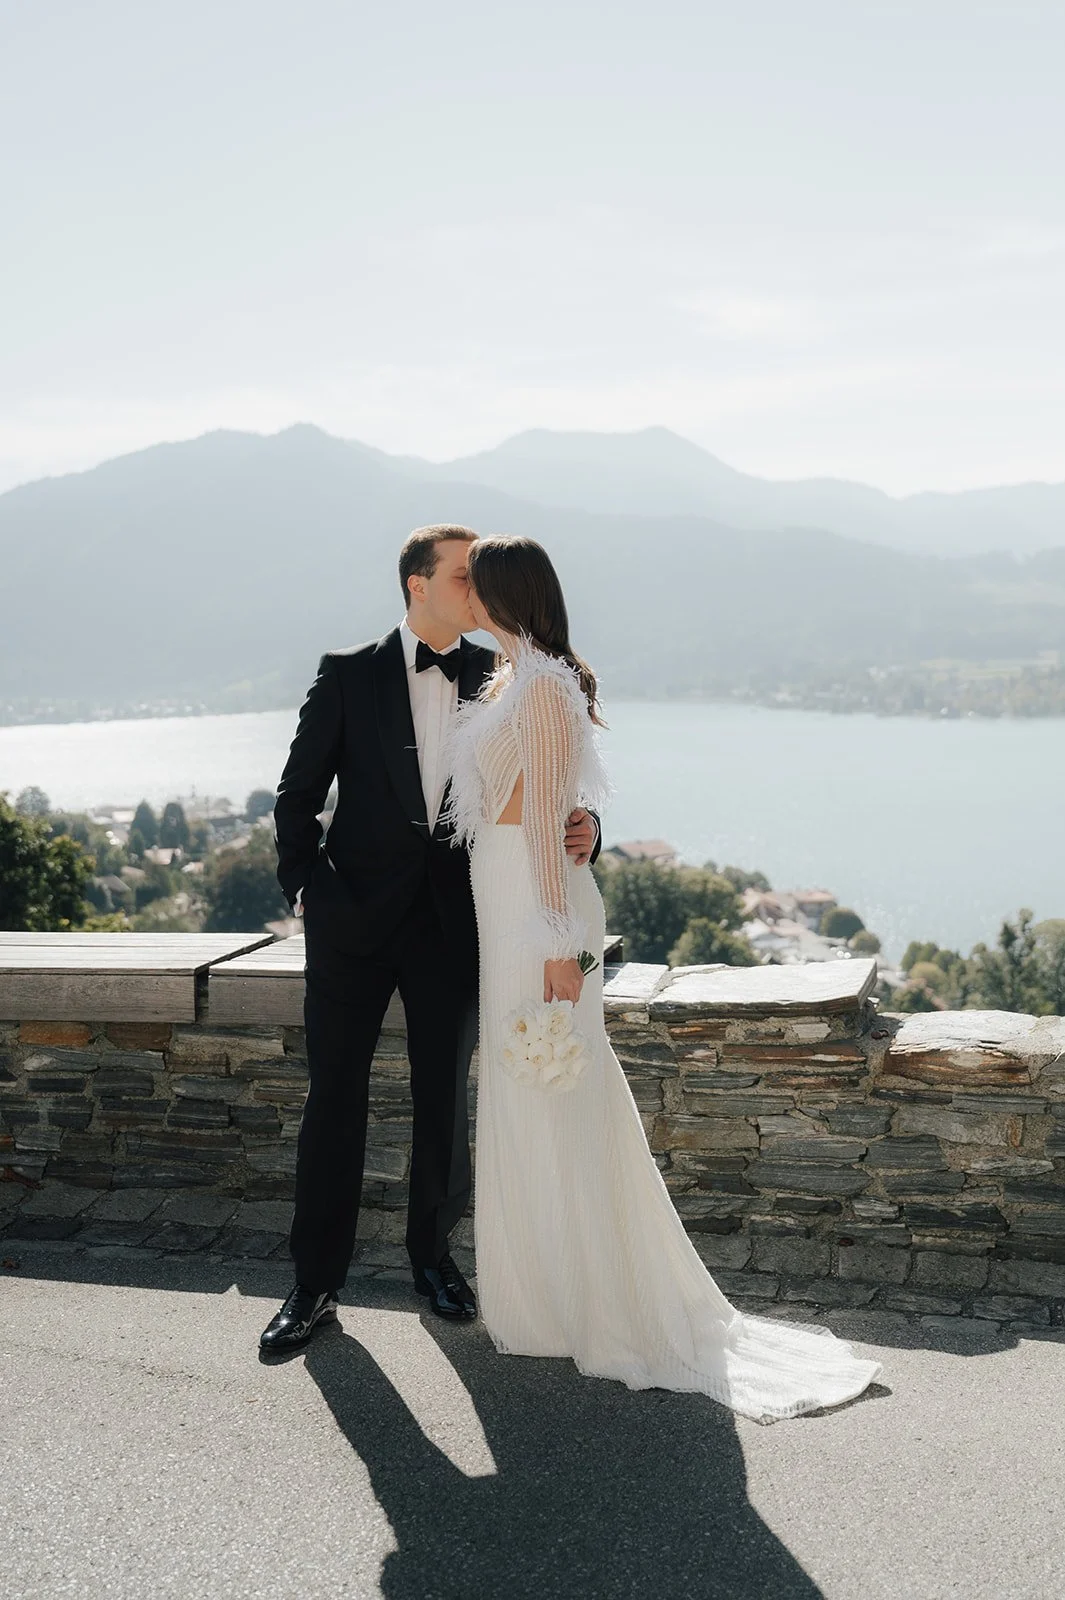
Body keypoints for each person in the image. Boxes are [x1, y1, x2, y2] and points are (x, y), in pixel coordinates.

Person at [444, 534, 883, 1421]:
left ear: (497, 596)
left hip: (538, 913)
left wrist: (562, 945)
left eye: (470, 584)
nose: (461, 596)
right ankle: (548, 1297)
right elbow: (542, 813)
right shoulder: (513, 679)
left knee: (555, 1091)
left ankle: (588, 1302)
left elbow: (540, 828)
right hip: (510, 906)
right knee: (529, 1096)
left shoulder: (542, 689)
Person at [259, 525, 600, 1354]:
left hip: (458, 924)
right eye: (460, 576)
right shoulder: (347, 674)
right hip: (352, 926)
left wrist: (589, 828)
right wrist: (308, 890)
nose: (475, 590)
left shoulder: (506, 675)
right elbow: (297, 794)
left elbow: (545, 791)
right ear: (418, 585)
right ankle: (313, 1285)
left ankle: (433, 1261)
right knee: (333, 1098)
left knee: (444, 1102)